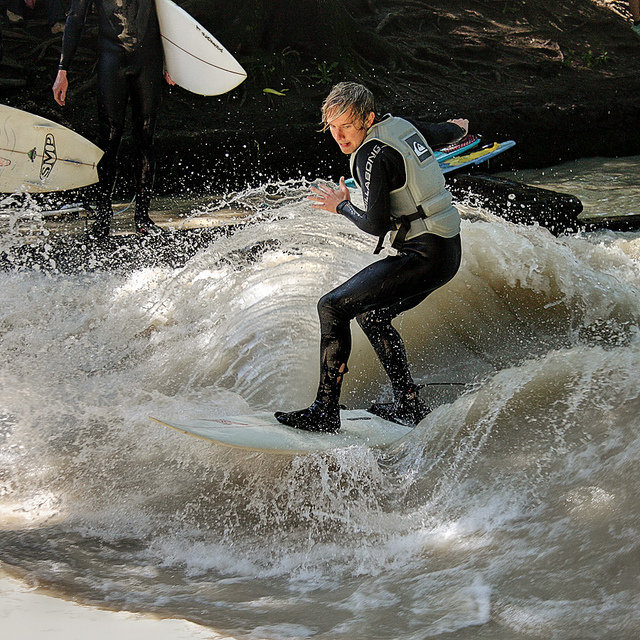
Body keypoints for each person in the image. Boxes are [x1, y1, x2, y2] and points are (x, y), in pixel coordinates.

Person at [275, 82, 467, 433]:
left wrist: (341, 205)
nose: (340, 135)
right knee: (372, 317)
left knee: (331, 306)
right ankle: (407, 402)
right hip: (447, 250)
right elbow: (443, 132)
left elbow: (375, 224)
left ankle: (324, 411)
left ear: (368, 118)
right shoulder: (401, 126)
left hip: (425, 254)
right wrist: (460, 127)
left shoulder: (370, 155)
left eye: (347, 125)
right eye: (333, 127)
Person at [52, 0, 173, 240]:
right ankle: (103, 218)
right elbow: (76, 18)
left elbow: (169, 16)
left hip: (148, 60)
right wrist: (62, 69)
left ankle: (142, 218)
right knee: (108, 140)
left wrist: (175, 63)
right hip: (112, 61)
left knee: (145, 137)